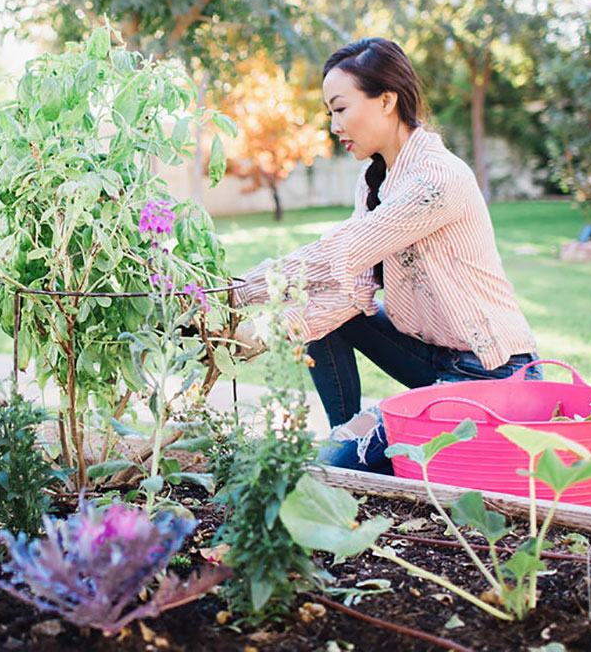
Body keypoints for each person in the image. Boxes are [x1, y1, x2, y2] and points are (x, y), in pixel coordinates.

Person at [232, 37, 541, 474]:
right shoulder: (374, 180)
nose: (334, 124)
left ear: (386, 100)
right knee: (319, 312)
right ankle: (346, 434)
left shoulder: (438, 178)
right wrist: (256, 326)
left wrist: (238, 294)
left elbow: (343, 250)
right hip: (430, 359)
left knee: (336, 464)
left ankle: (350, 451)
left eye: (340, 108)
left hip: (496, 376)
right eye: (329, 113)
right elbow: (348, 288)